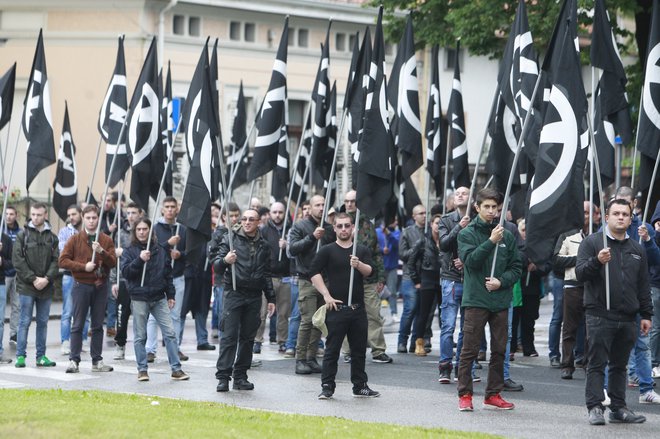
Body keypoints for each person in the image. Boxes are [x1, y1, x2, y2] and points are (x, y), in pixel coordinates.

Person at [576, 198, 652, 425]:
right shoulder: (592, 242)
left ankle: (619, 408)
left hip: (628, 317)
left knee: (620, 365)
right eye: (616, 213)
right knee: (597, 363)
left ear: (630, 218)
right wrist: (597, 261)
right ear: (606, 217)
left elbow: (643, 285)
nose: (621, 217)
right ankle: (595, 406)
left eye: (625, 214)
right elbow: (580, 273)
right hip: (600, 314)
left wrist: (646, 314)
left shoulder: (637, 248)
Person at [456, 188, 522, 411]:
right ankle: (465, 394)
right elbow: (471, 261)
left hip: (500, 300)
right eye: (487, 207)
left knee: (500, 350)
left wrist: (501, 282)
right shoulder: (467, 233)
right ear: (477, 207)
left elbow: (516, 267)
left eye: (495, 207)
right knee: (469, 350)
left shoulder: (508, 235)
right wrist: (491, 241)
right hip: (475, 299)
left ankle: (493, 394)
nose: (492, 211)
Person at [312, 212, 380, 399]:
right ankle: (327, 386)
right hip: (337, 309)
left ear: (353, 228)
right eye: (339, 226)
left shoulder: (361, 250)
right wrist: (326, 296)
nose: (343, 229)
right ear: (334, 228)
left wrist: (358, 265)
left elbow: (370, 272)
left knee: (359, 350)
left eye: (347, 225)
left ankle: (360, 385)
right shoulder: (327, 250)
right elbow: (314, 272)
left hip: (357, 309)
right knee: (332, 350)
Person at [213, 209, 276, 392]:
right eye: (244, 219)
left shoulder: (264, 245)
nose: (247, 222)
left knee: (248, 338)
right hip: (234, 292)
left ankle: (240, 376)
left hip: (254, 295)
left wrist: (271, 297)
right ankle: (223, 377)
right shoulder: (230, 238)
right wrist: (225, 260)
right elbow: (216, 266)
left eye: (251, 219)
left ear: (258, 222)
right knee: (229, 336)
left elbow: (266, 273)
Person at [121, 218, 189, 381]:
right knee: (140, 336)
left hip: (158, 297)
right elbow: (126, 273)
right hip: (139, 297)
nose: (142, 232)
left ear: (151, 231)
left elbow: (168, 274)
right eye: (139, 230)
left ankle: (176, 369)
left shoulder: (159, 250)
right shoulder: (129, 251)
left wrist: (170, 294)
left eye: (145, 229)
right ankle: (142, 369)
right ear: (135, 232)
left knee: (170, 333)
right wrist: (139, 260)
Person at [59, 204, 116, 373]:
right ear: (83, 219)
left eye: (94, 218)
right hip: (81, 285)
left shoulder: (106, 239)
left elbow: (113, 262)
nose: (91, 221)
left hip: (100, 286)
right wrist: (83, 267)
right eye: (88, 218)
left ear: (98, 219)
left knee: (97, 325)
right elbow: (62, 261)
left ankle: (97, 360)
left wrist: (102, 252)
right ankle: (74, 360)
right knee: (77, 324)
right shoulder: (75, 239)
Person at [342, 190, 392, 364]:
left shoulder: (367, 224)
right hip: (346, 279)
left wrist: (380, 277)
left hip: (368, 278)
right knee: (347, 315)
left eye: (353, 201)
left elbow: (375, 252)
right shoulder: (339, 222)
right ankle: (348, 350)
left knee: (373, 315)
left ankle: (378, 350)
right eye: (347, 201)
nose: (349, 204)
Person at [288, 195, 335, 374]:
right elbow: (292, 249)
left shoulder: (329, 228)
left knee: (319, 320)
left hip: (325, 280)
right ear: (310, 207)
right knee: (307, 320)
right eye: (317, 205)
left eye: (324, 204)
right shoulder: (300, 226)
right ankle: (300, 359)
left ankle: (311, 357)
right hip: (307, 279)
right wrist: (312, 237)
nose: (321, 208)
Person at [13, 203, 60, 368]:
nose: (35, 217)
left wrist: (46, 279)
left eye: (39, 215)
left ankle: (41, 356)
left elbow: (56, 261)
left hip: (46, 287)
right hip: (27, 286)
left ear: (45, 215)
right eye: (33, 214)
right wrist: (33, 279)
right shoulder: (22, 235)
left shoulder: (52, 237)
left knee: (43, 322)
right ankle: (20, 356)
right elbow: (17, 261)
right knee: (24, 321)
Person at [146, 196, 188, 362]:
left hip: (177, 276)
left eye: (173, 206)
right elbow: (151, 251)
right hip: (157, 278)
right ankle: (150, 349)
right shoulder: (155, 228)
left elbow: (190, 254)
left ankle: (175, 348)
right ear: (163, 209)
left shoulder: (182, 229)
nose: (170, 209)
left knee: (175, 315)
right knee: (152, 317)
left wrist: (180, 254)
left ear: (177, 209)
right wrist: (168, 243)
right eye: (167, 206)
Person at [553, 201, 590, 380]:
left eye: (591, 212)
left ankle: (589, 362)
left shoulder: (599, 235)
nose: (587, 216)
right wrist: (579, 259)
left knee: (593, 327)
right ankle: (567, 364)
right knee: (569, 327)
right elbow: (557, 260)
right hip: (573, 286)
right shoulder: (567, 235)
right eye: (583, 212)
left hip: (593, 287)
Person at [438, 186, 470, 382]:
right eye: (457, 193)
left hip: (469, 279)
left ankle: (462, 365)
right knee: (448, 325)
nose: (460, 195)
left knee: (467, 326)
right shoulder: (446, 220)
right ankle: (445, 365)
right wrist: (459, 227)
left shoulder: (478, 220)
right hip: (450, 278)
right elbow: (444, 244)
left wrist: (467, 260)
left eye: (465, 193)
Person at [259, 201, 291, 352]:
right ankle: (257, 340)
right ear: (270, 213)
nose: (277, 215)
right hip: (268, 277)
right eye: (274, 212)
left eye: (280, 212)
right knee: (262, 312)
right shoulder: (264, 231)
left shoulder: (290, 229)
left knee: (283, 313)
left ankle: (282, 341)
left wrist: (287, 245)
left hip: (285, 277)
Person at [112, 202, 143, 360]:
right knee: (121, 314)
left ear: (140, 214)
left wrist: (124, 252)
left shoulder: (143, 231)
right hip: (123, 279)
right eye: (128, 213)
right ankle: (120, 344)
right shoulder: (120, 233)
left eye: (133, 212)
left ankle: (141, 346)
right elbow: (113, 259)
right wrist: (114, 281)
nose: (130, 216)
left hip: (139, 279)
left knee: (140, 314)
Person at [408, 214, 442, 356]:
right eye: (436, 223)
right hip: (427, 280)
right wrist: (416, 281)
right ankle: (418, 342)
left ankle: (445, 343)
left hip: (443, 280)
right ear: (431, 224)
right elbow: (411, 262)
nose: (438, 226)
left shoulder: (446, 241)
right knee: (423, 314)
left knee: (444, 313)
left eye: (441, 224)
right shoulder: (423, 241)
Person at [209, 202, 241, 341]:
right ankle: (225, 342)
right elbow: (212, 257)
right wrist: (225, 259)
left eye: (236, 215)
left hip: (239, 279)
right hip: (222, 280)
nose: (233, 219)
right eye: (230, 215)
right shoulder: (218, 234)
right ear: (224, 216)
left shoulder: (241, 233)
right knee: (223, 313)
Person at [398, 204, 426, 353]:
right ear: (414, 216)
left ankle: (416, 342)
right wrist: (416, 247)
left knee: (421, 312)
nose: (424, 216)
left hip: (426, 276)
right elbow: (402, 254)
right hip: (410, 276)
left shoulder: (429, 231)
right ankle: (402, 341)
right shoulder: (407, 232)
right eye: (420, 213)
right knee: (410, 309)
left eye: (425, 213)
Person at [57, 204, 83, 355]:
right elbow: (64, 254)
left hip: (86, 276)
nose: (71, 217)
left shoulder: (88, 231)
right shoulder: (65, 232)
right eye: (69, 214)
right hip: (70, 275)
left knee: (84, 312)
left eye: (74, 214)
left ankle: (83, 339)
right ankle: (65, 341)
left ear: (81, 214)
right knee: (68, 311)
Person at [376, 217, 400, 320]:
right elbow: (373, 246)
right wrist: (382, 249)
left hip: (392, 267)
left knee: (392, 291)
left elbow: (396, 243)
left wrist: (388, 234)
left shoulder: (397, 232)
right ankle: (376, 313)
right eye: (393, 220)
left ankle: (394, 312)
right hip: (379, 267)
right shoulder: (377, 231)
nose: (396, 222)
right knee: (376, 292)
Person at [4, 206, 21, 346]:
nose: (8, 216)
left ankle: (14, 333)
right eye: (6, 214)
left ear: (16, 215)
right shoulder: (1, 232)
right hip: (4, 274)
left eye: (11, 214)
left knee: (17, 305)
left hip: (18, 274)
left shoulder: (21, 233)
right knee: (1, 306)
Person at [0, 230, 13, 363]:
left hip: (0, 284)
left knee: (0, 321)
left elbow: (11, 262)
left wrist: (2, 260)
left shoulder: (6, 239)